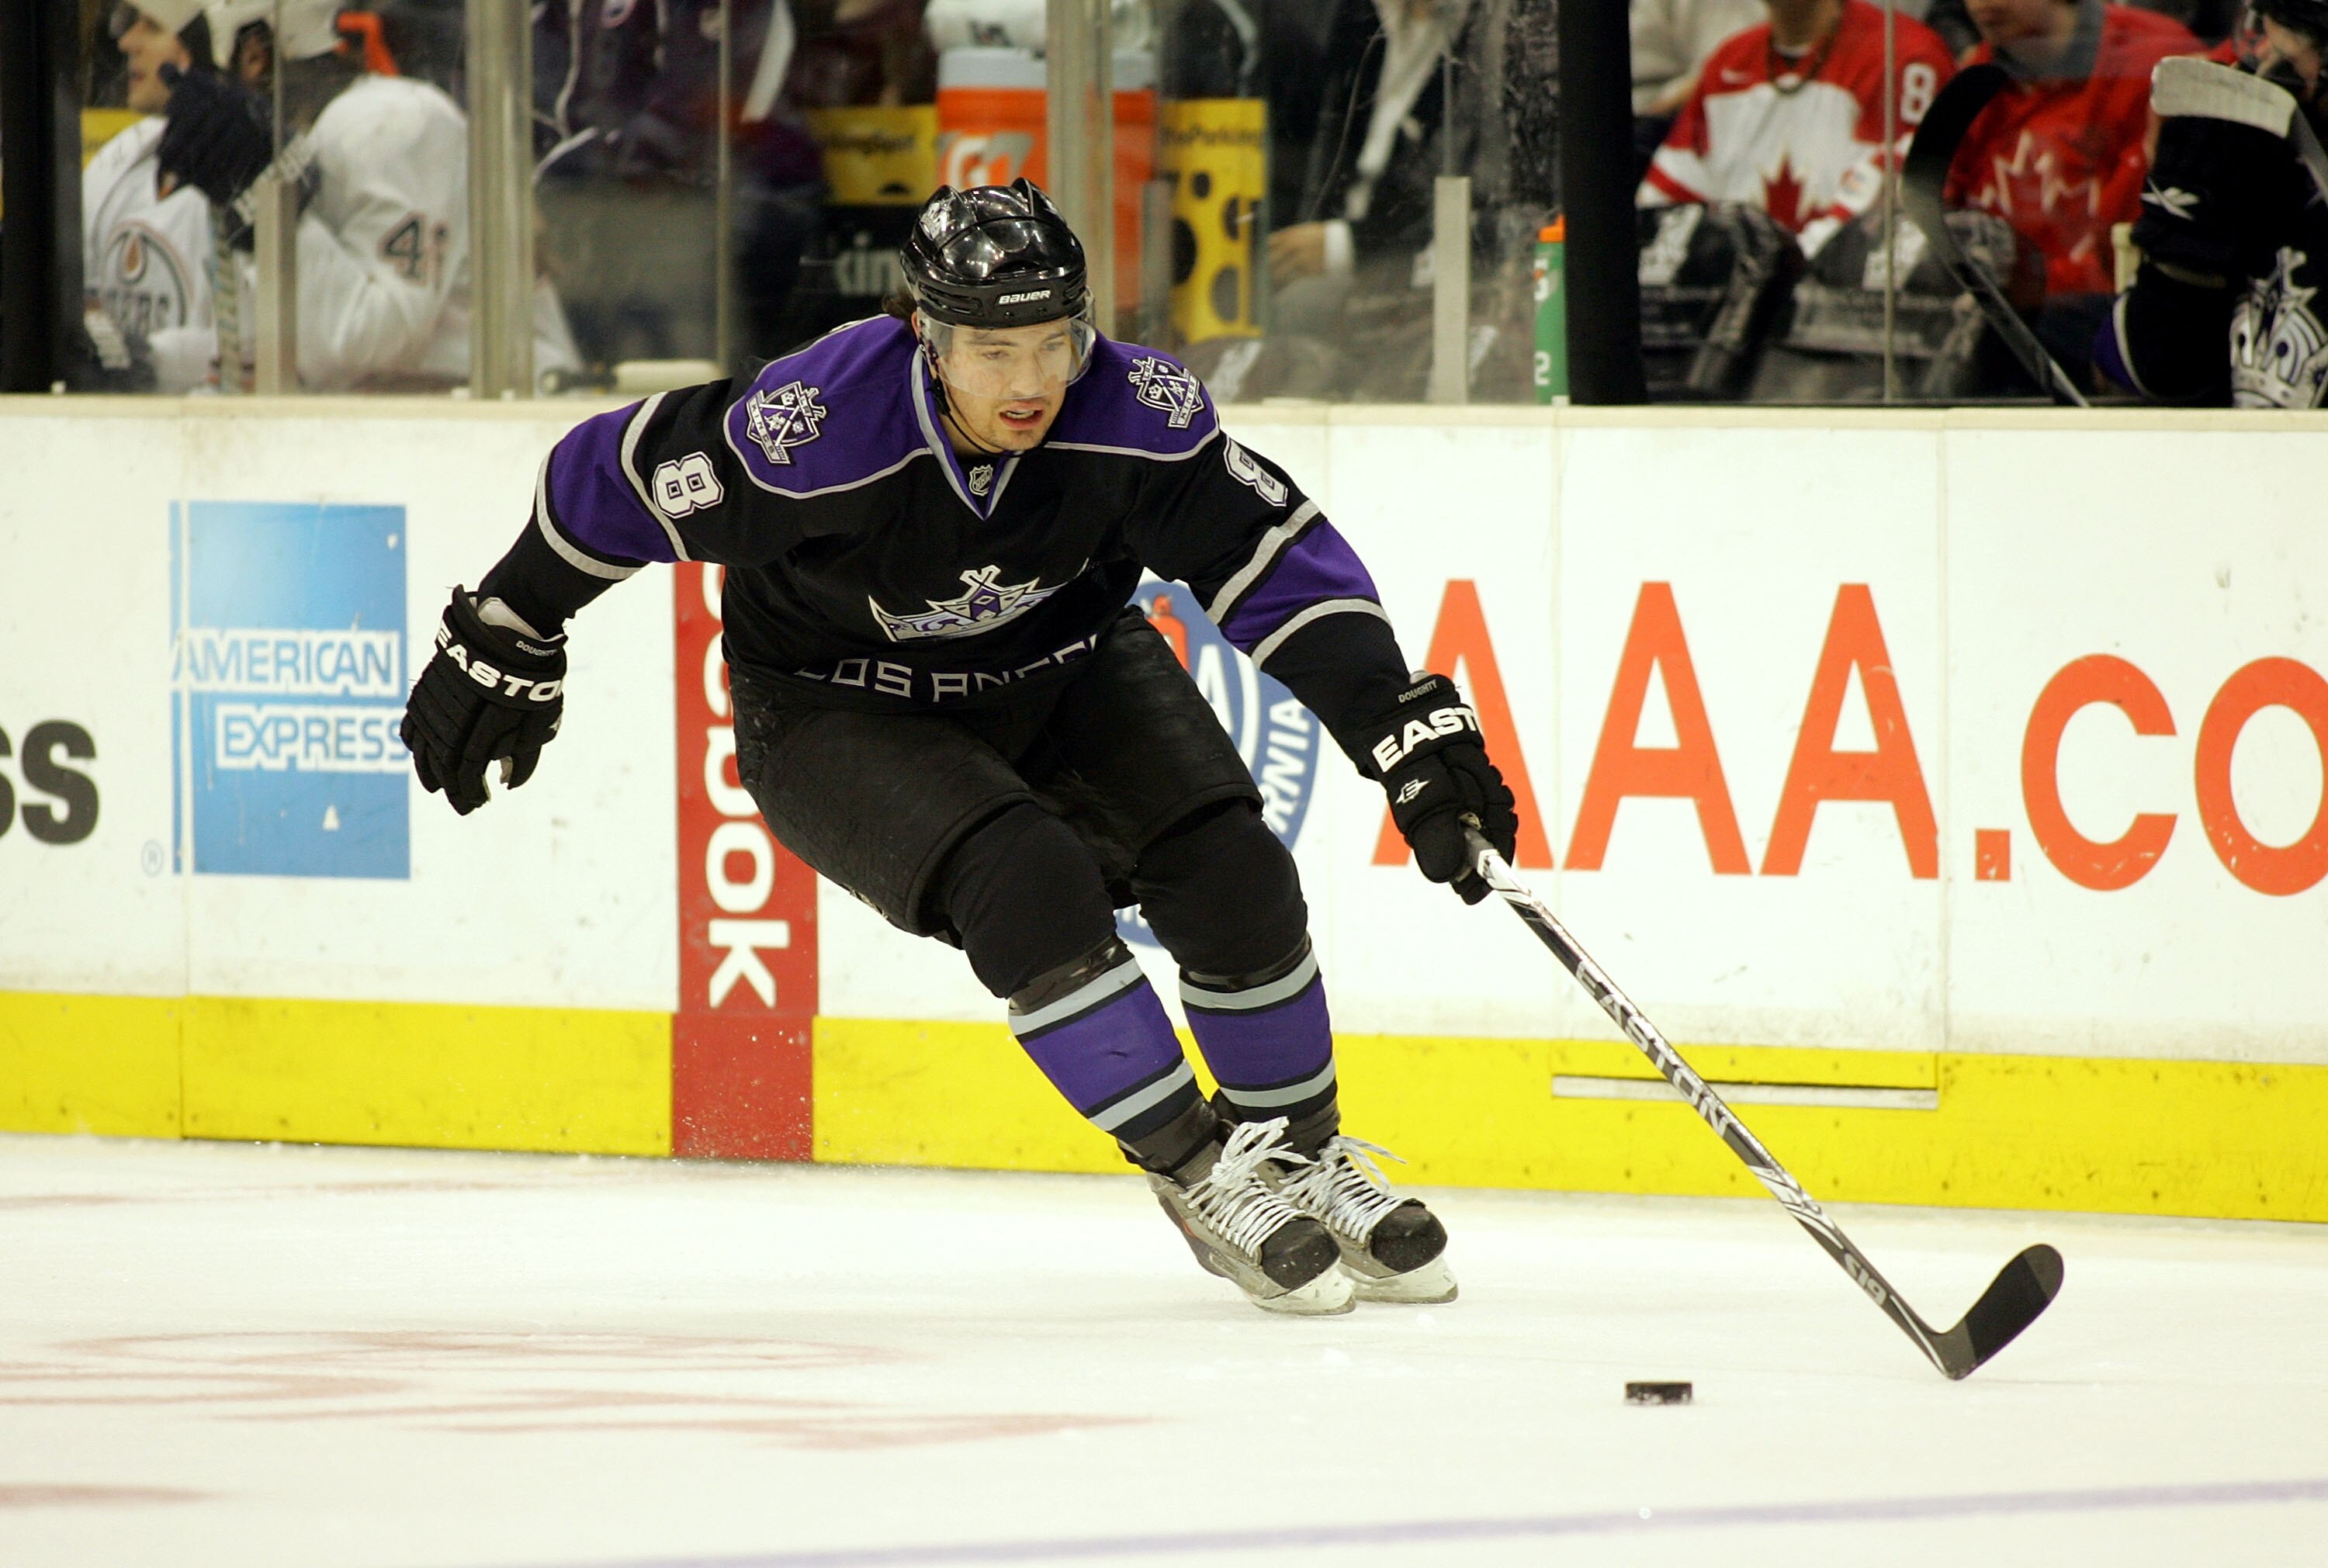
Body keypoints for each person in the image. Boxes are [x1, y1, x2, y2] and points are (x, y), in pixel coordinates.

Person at [398, 180, 1519, 1316]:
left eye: (1053, 342)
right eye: (993, 350)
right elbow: (610, 472)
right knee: (1029, 880)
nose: (1031, 382)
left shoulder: (1136, 413)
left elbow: (1277, 560)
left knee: (1233, 868)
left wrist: (1398, 723)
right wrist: (507, 621)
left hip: (1067, 667)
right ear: (924, 336)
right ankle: (1198, 1170)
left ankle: (1295, 1153)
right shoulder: (819, 427)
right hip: (839, 710)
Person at [152, 0, 578, 389]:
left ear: (254, 55)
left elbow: (368, 345)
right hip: (405, 429)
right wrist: (146, 363)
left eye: (198, 59)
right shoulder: (273, 154)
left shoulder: (390, 122)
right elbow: (249, 353)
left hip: (505, 431)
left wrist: (269, 218)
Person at [1942, 0, 2198, 376]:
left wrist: (2024, 291)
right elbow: (1935, 205)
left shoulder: (2157, 61)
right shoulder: (1977, 74)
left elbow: (2134, 251)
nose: (1981, 2)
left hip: (2110, 327)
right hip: (2006, 324)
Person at [2098, 0, 2328, 403]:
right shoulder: (2263, 173)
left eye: (2286, 50)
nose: (2262, 63)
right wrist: (2183, 264)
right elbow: (2135, 376)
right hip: (2244, 458)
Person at [1639, 0, 1957, 258]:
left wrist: (1791, 265)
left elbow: (1903, 186)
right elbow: (1669, 194)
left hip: (1838, 307)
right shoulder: (1729, 61)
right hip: (1736, 308)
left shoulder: (1905, 55)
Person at [81, 0, 225, 391]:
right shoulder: (120, 157)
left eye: (153, 27)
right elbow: (81, 299)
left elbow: (270, 344)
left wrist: (149, 359)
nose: (127, 42)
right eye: (130, 25)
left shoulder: (255, 181)